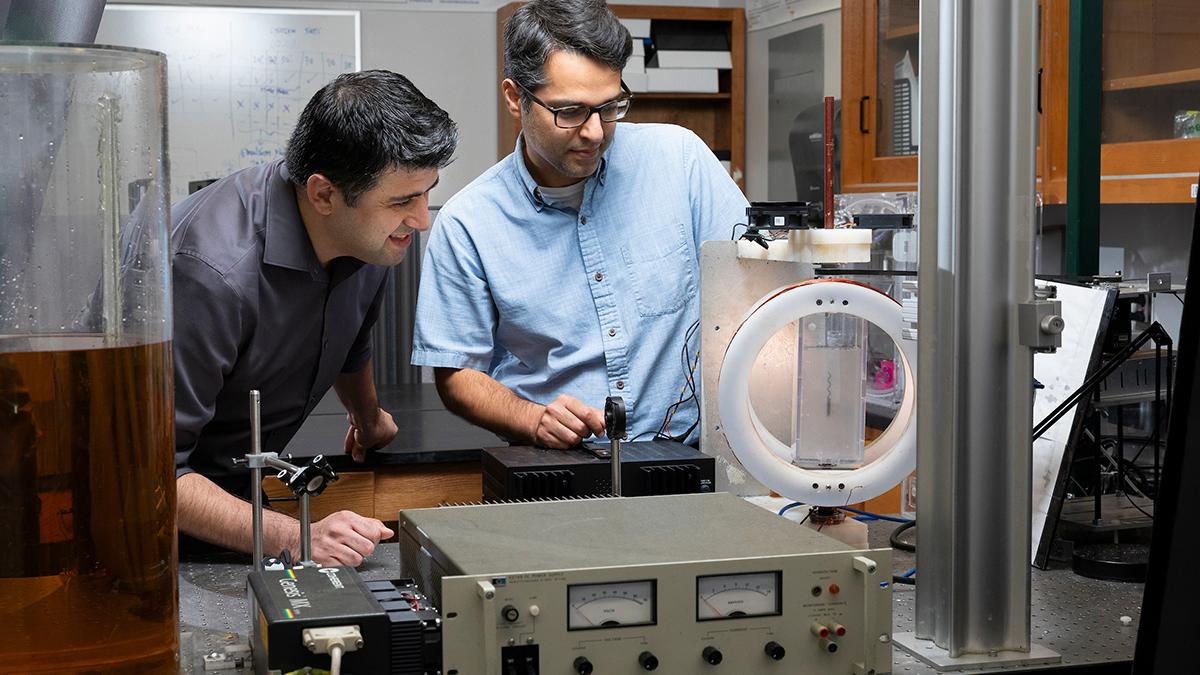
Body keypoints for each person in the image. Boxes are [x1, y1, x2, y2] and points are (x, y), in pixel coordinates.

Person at [412, 0, 747, 449]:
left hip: (689, 451)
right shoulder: (467, 223)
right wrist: (532, 419)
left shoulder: (680, 161)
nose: (594, 132)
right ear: (516, 98)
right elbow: (457, 374)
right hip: (560, 466)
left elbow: (755, 288)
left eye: (610, 107)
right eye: (570, 112)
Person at [172, 70, 457, 566]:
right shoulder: (212, 274)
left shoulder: (371, 238)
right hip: (147, 523)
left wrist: (368, 419)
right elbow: (151, 475)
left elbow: (350, 342)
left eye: (427, 192)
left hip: (235, 503)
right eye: (402, 201)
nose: (422, 219)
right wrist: (299, 536)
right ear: (323, 194)